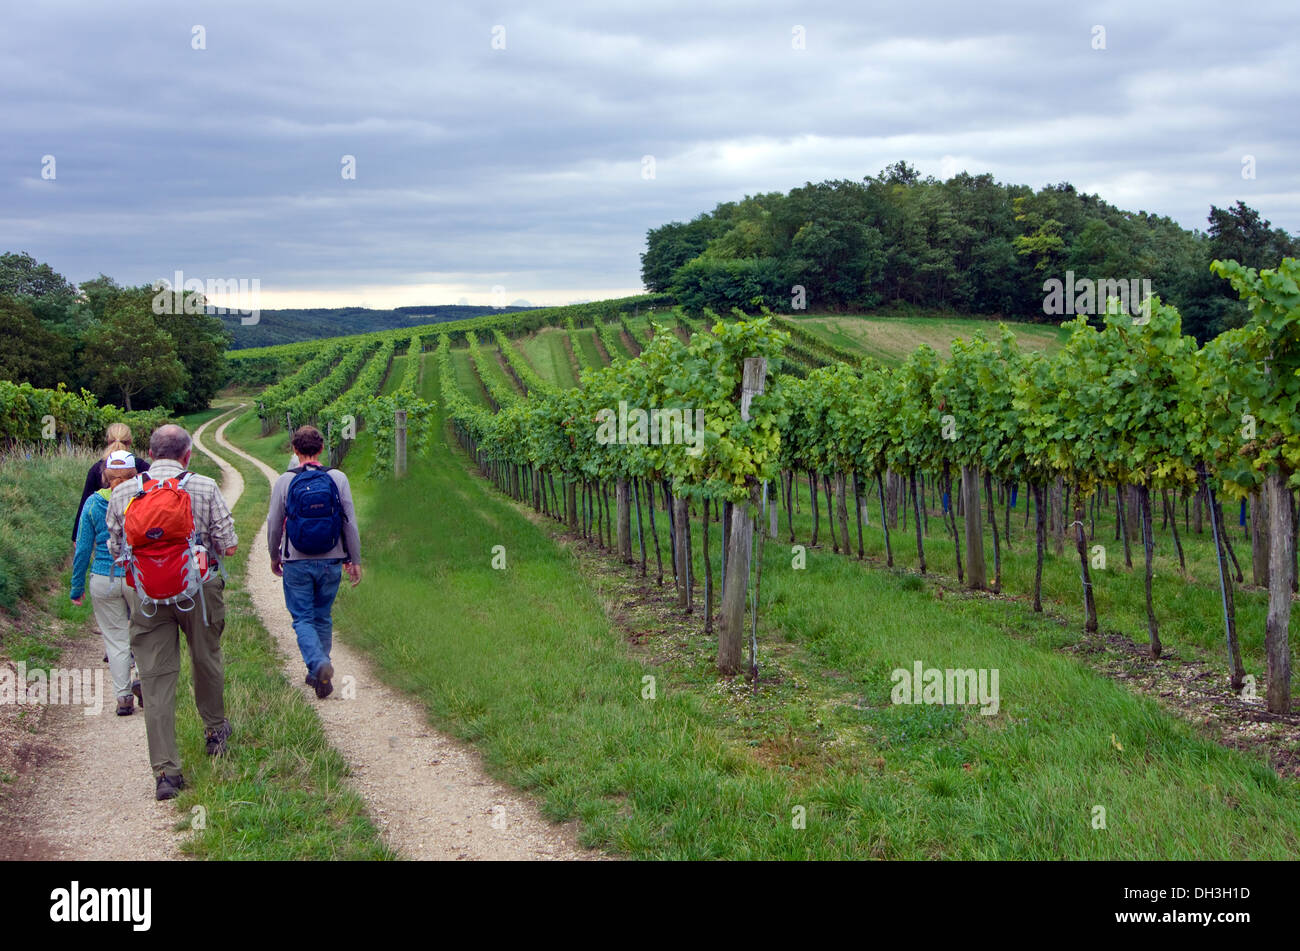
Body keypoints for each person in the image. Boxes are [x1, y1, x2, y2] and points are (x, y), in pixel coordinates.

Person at [105, 424, 237, 801]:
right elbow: (228, 546)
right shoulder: (205, 486)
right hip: (198, 589)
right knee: (205, 658)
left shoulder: (125, 492)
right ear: (187, 455)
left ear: (148, 452)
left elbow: (117, 548)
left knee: (156, 678)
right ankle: (214, 732)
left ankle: (166, 773)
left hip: (147, 595)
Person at [266, 425, 362, 699]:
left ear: (295, 450)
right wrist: (354, 559)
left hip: (296, 560)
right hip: (332, 559)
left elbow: (274, 524)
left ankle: (318, 664)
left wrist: (274, 555)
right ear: (322, 449)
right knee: (322, 615)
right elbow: (349, 522)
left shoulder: (285, 481)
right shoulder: (338, 477)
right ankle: (318, 676)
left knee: (303, 618)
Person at [71, 448, 142, 716]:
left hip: (103, 577)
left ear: (104, 476)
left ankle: (123, 697)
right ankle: (145, 684)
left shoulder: (92, 504)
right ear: (135, 475)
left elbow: (82, 550)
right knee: (144, 632)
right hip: (137, 576)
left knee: (116, 640)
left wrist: (76, 588)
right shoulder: (142, 497)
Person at [72, 423, 149, 542]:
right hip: (138, 535)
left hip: (106, 535)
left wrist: (76, 537)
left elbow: (85, 503)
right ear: (130, 441)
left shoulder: (97, 469)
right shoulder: (142, 466)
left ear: (108, 441)